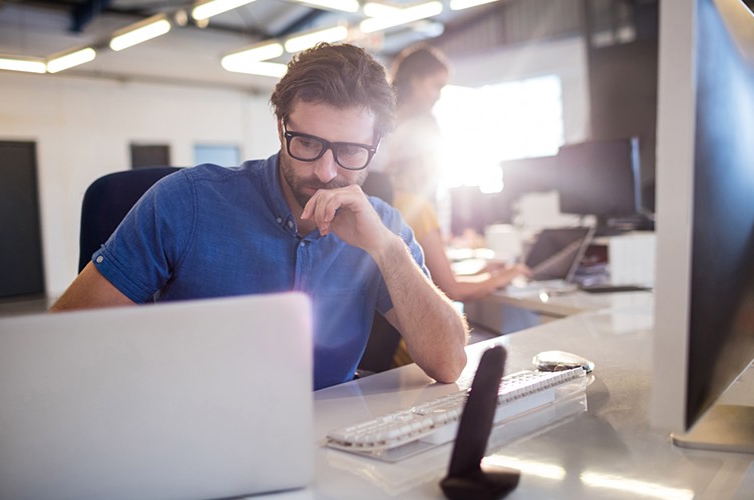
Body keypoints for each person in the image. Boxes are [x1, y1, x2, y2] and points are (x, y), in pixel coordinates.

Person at [50, 43, 468, 390]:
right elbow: (61, 338)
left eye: (351, 151)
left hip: (332, 445)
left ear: (375, 146)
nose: (326, 172)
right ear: (281, 125)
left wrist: (387, 249)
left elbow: (449, 363)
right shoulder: (186, 201)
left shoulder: (382, 226)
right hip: (196, 434)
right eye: (306, 142)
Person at [380, 46, 529, 366]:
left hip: (392, 338)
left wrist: (480, 271)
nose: (438, 96)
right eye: (436, 87)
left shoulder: (389, 204)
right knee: (508, 347)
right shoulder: (415, 208)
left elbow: (427, 275)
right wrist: (508, 274)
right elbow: (450, 288)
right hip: (414, 347)